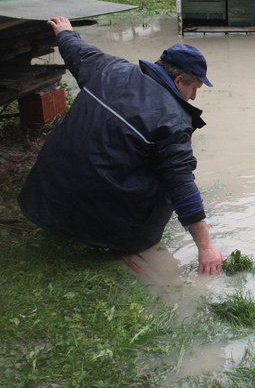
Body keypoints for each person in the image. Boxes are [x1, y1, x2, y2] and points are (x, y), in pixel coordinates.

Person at [19, 16, 223, 275]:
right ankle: (114, 236)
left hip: (43, 201)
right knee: (167, 175)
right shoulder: (173, 120)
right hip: (106, 232)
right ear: (179, 80)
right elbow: (180, 182)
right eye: (194, 87)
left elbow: (78, 52)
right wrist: (206, 247)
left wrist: (65, 33)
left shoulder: (109, 68)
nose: (193, 96)